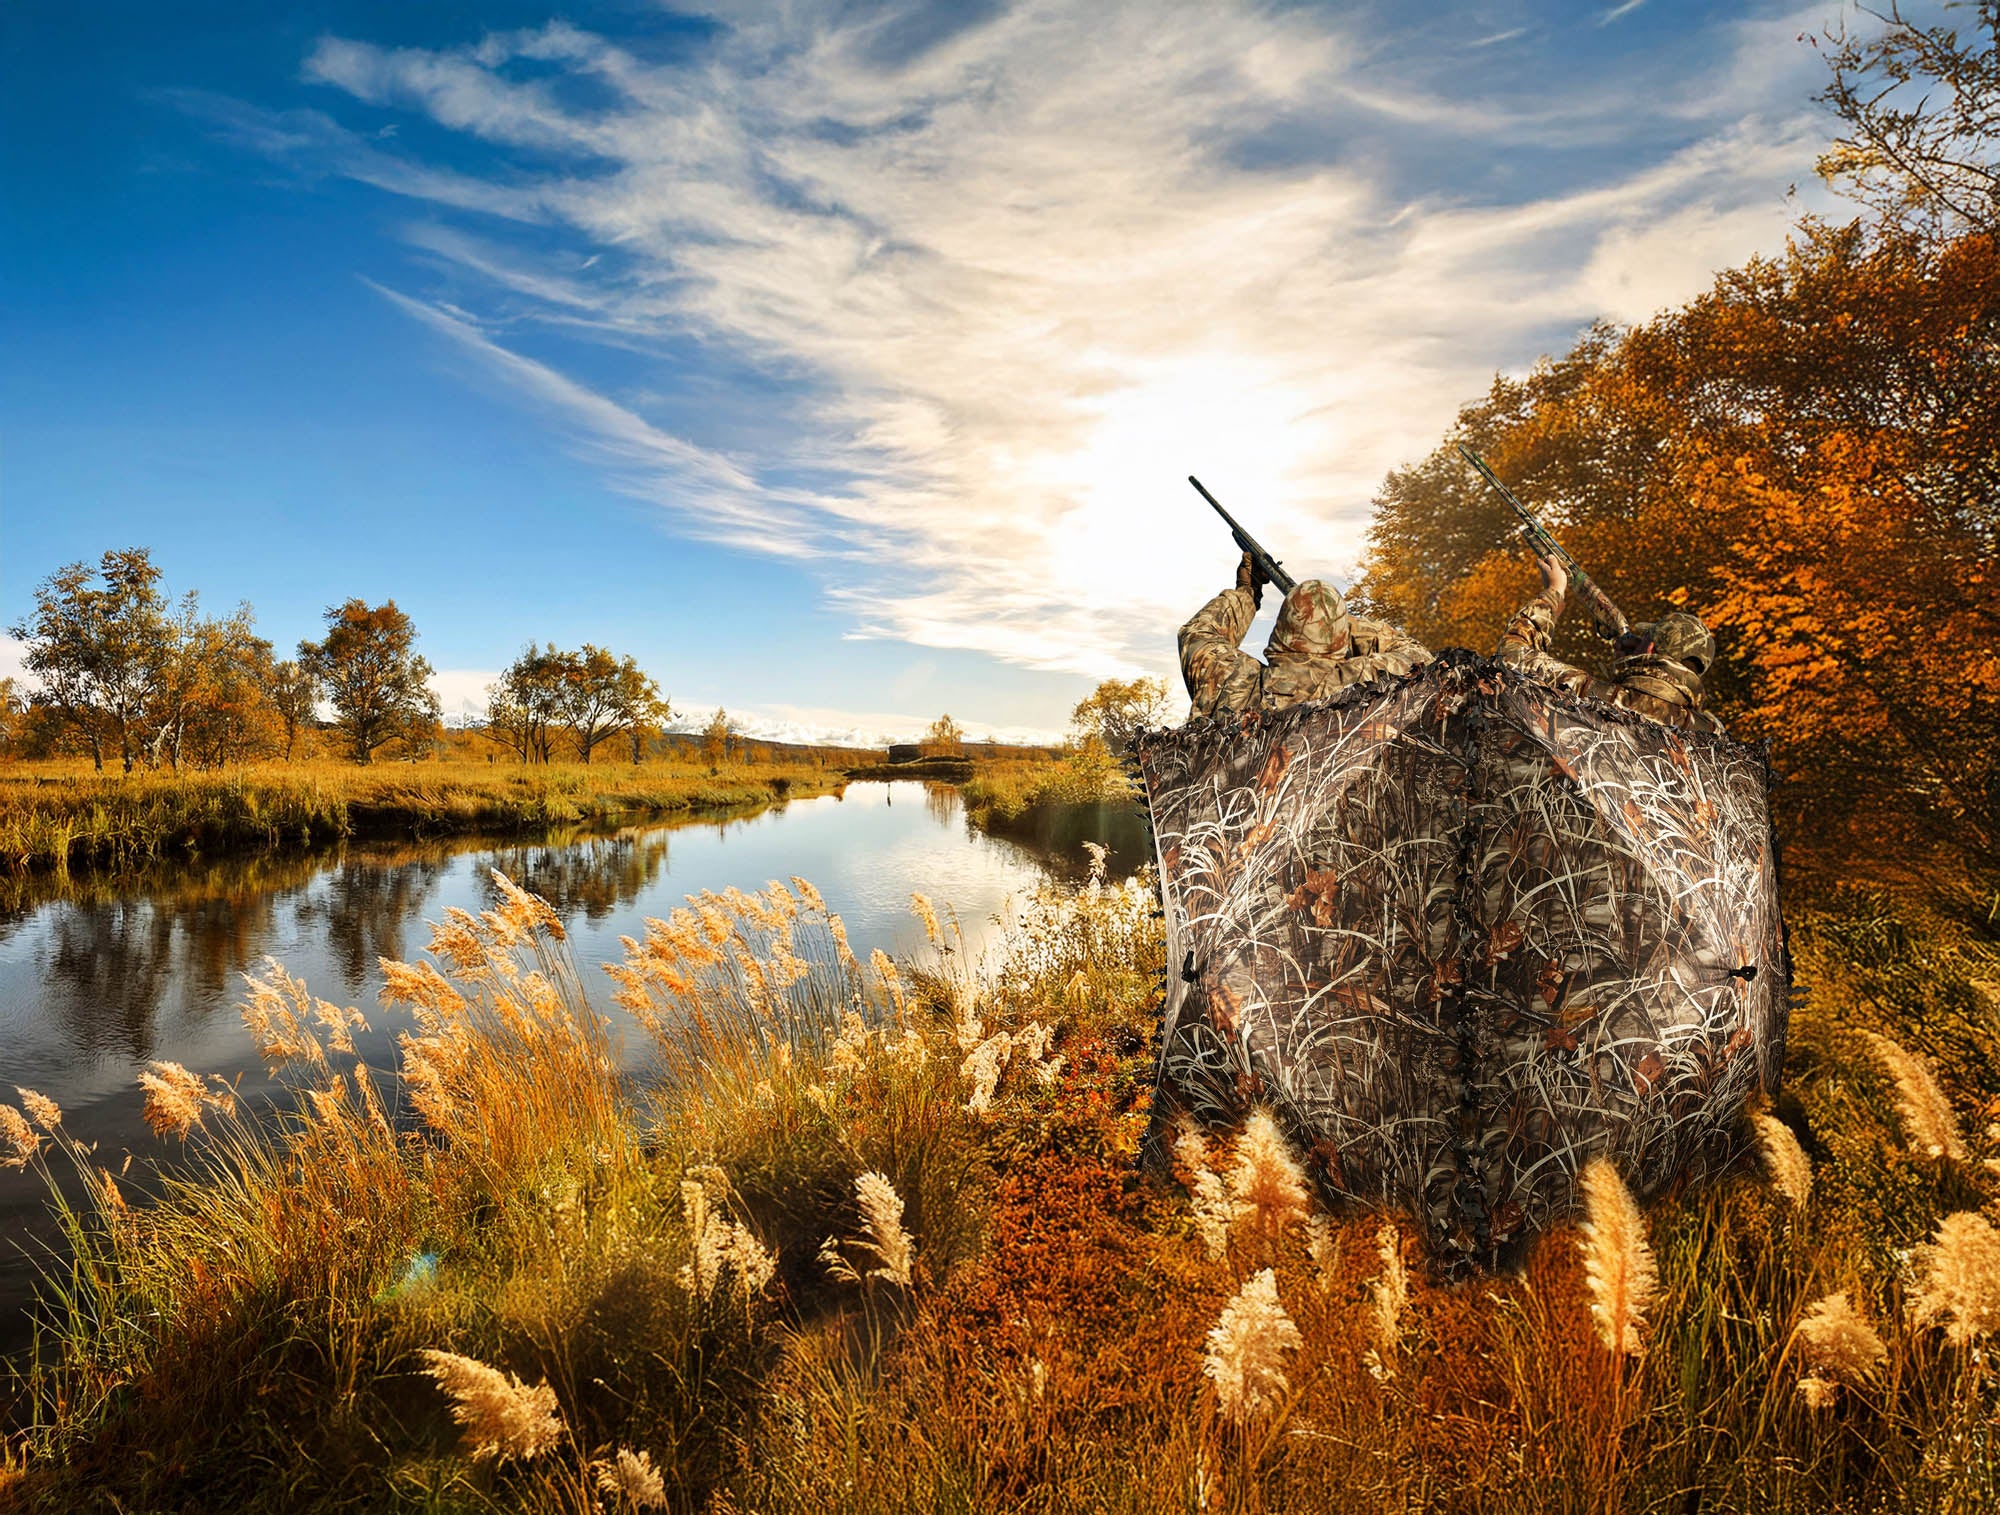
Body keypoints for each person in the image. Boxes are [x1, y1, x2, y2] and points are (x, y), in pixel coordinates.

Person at [1180, 551, 1432, 718]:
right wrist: (1341, 623)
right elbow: (1418, 656)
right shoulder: (1359, 681)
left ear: (1281, 627)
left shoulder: (1229, 678)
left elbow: (1197, 633)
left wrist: (1248, 591)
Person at [1498, 553, 1724, 734]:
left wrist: (1554, 591)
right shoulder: (1711, 732)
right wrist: (1628, 665)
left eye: (1643, 638)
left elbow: (1511, 656)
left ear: (1650, 649)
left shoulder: (1589, 692)